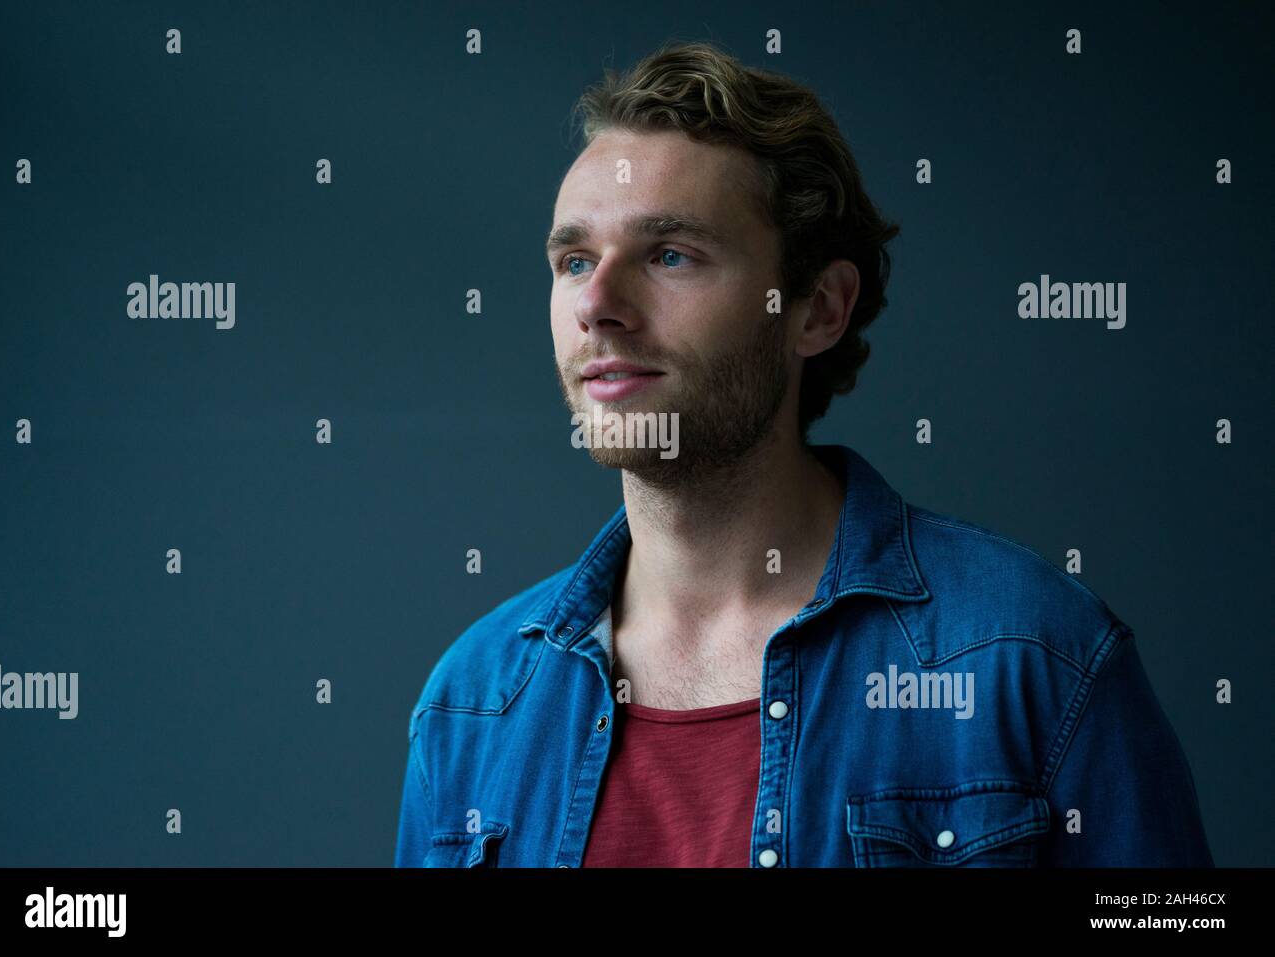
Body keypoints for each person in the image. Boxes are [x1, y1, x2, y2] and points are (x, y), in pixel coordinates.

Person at [394, 40, 1212, 867]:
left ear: (817, 308)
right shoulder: (474, 705)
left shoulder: (1032, 655)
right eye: (574, 260)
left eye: (670, 254)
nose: (597, 304)